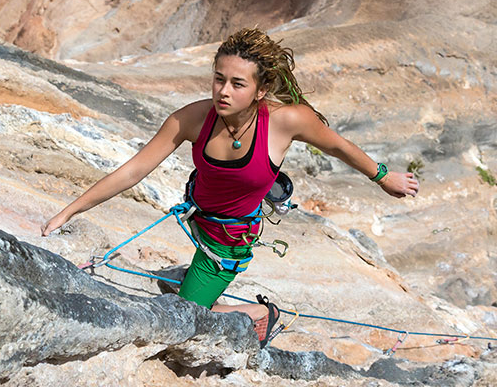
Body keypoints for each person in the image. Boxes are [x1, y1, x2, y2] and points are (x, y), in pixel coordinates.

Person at [41, 28, 419, 345]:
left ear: (259, 89)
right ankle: (189, 282)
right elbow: (132, 171)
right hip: (197, 220)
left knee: (181, 324)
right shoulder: (191, 118)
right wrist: (68, 211)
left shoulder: (287, 121)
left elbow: (339, 146)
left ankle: (259, 313)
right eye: (218, 78)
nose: (223, 91)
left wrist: (385, 177)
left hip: (228, 243)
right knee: (184, 308)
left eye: (237, 83)